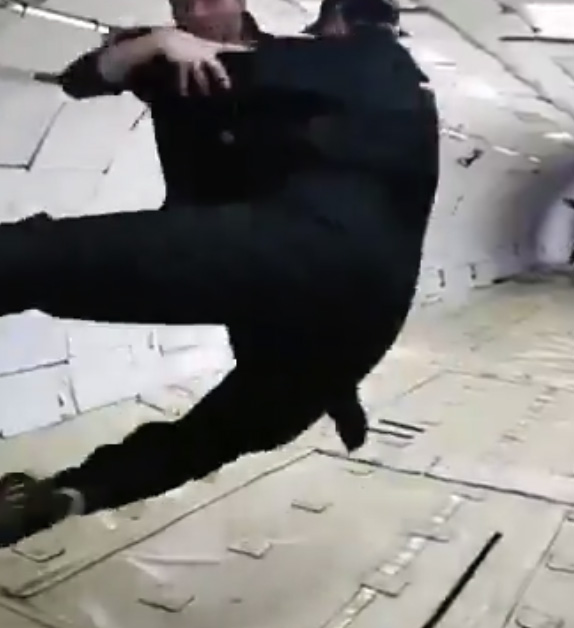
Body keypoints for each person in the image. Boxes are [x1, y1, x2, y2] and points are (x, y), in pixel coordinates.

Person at [0, 0, 439, 547]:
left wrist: (172, 49)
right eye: (184, 2)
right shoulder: (186, 59)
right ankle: (66, 497)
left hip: (279, 256)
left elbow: (258, 70)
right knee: (231, 432)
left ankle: (70, 493)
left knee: (44, 258)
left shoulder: (327, 59)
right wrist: (155, 45)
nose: (197, 7)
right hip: (343, 322)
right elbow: (81, 79)